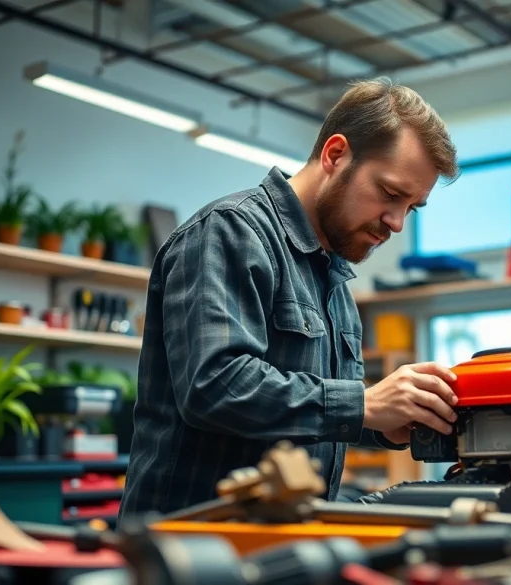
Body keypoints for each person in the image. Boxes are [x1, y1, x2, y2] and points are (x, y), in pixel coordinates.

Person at [119, 78, 462, 519]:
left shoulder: (334, 280)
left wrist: (388, 424)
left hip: (281, 542)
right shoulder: (229, 233)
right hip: (191, 548)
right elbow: (214, 385)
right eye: (391, 194)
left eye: (412, 207)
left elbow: (303, 420)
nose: (396, 223)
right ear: (335, 155)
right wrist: (365, 403)